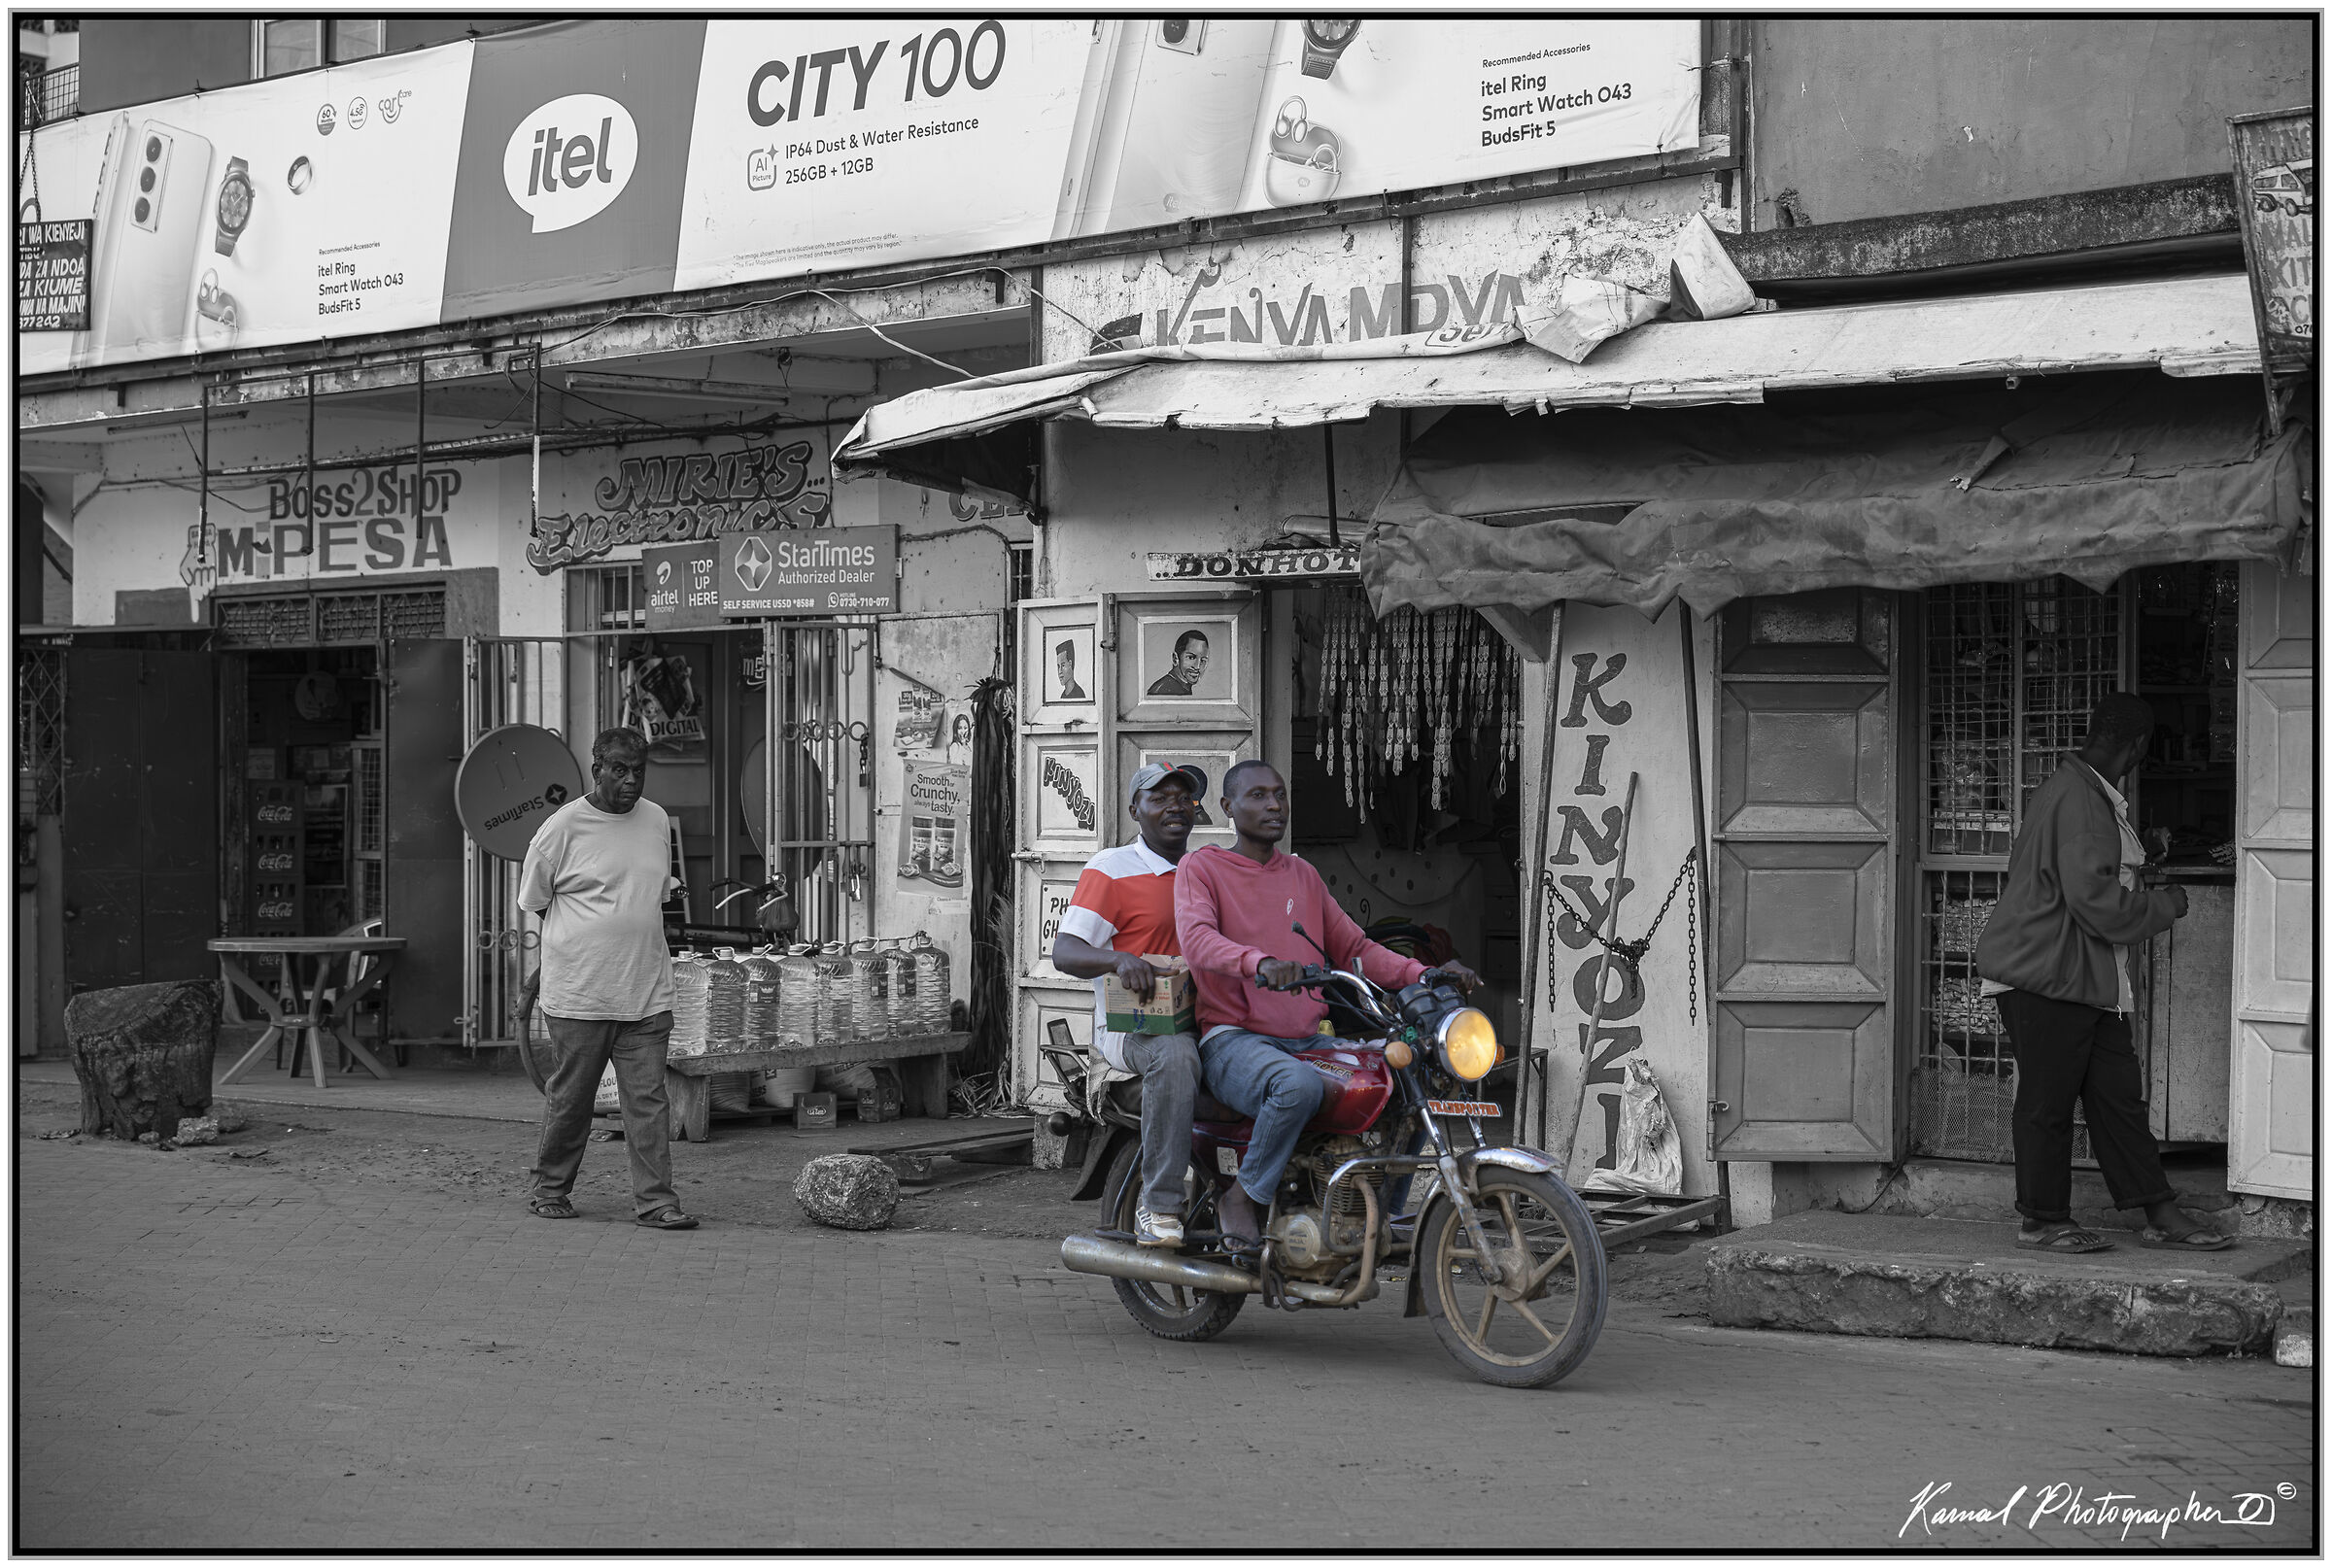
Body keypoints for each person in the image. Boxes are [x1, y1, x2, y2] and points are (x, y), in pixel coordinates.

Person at [1175, 759, 1478, 1246]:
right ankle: (1242, 1196)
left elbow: (1357, 950)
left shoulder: (1303, 874)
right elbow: (1197, 940)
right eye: (1257, 795)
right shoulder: (1203, 866)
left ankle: (1383, 1212)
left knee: (1413, 1072)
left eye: (1280, 794)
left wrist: (1427, 971)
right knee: (1295, 1086)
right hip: (1233, 1040)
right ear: (1228, 807)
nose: (1274, 804)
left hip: (1309, 1039)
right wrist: (1259, 962)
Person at [1974, 692, 2228, 1253]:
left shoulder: (2079, 791)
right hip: (2046, 975)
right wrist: (2168, 906)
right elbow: (2099, 906)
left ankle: (2160, 1212)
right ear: (2138, 746)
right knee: (2048, 1102)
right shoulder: (2083, 801)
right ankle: (2042, 1221)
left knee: (2117, 1100)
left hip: (2080, 978)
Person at [517, 727, 699, 1230]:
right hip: (581, 995)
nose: (631, 780)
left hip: (645, 991)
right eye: (619, 769)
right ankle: (550, 1190)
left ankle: (657, 1202)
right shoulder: (562, 827)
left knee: (648, 1104)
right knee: (571, 1100)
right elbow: (535, 902)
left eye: (639, 770)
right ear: (596, 769)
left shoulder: (656, 820)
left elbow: (656, 891)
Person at [1051, 763, 1208, 1247]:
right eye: (1159, 798)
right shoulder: (1112, 869)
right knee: (1174, 1054)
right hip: (1135, 1030)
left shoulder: (1206, 870)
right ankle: (1158, 1205)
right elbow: (1067, 952)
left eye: (1184, 797)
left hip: (1205, 1020)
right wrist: (1120, 959)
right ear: (1134, 809)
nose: (1175, 806)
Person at [1146, 629, 1210, 697]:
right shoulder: (1162, 690)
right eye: (1191, 658)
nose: (1197, 667)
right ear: (1175, 659)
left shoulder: (1182, 687)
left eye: (1202, 660)